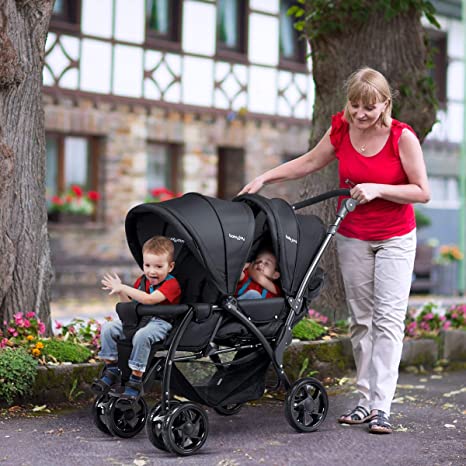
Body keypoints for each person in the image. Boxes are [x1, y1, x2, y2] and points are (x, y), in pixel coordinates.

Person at [239, 67, 430, 434]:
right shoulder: (341, 128)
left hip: (395, 237)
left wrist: (378, 188)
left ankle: (381, 407)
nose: (360, 114)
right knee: (361, 320)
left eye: (369, 108)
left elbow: (422, 191)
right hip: (354, 235)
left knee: (388, 321)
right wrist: (267, 177)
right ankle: (363, 400)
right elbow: (310, 161)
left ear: (385, 104)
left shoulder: (402, 137)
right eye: (355, 105)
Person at [92, 235, 181, 401]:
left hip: (161, 322)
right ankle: (112, 368)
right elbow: (131, 304)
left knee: (142, 336)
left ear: (170, 267)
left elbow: (149, 300)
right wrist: (121, 292)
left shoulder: (172, 284)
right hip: (140, 320)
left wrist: (123, 286)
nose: (151, 271)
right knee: (108, 328)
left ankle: (135, 380)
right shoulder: (142, 281)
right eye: (147, 265)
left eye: (158, 266)